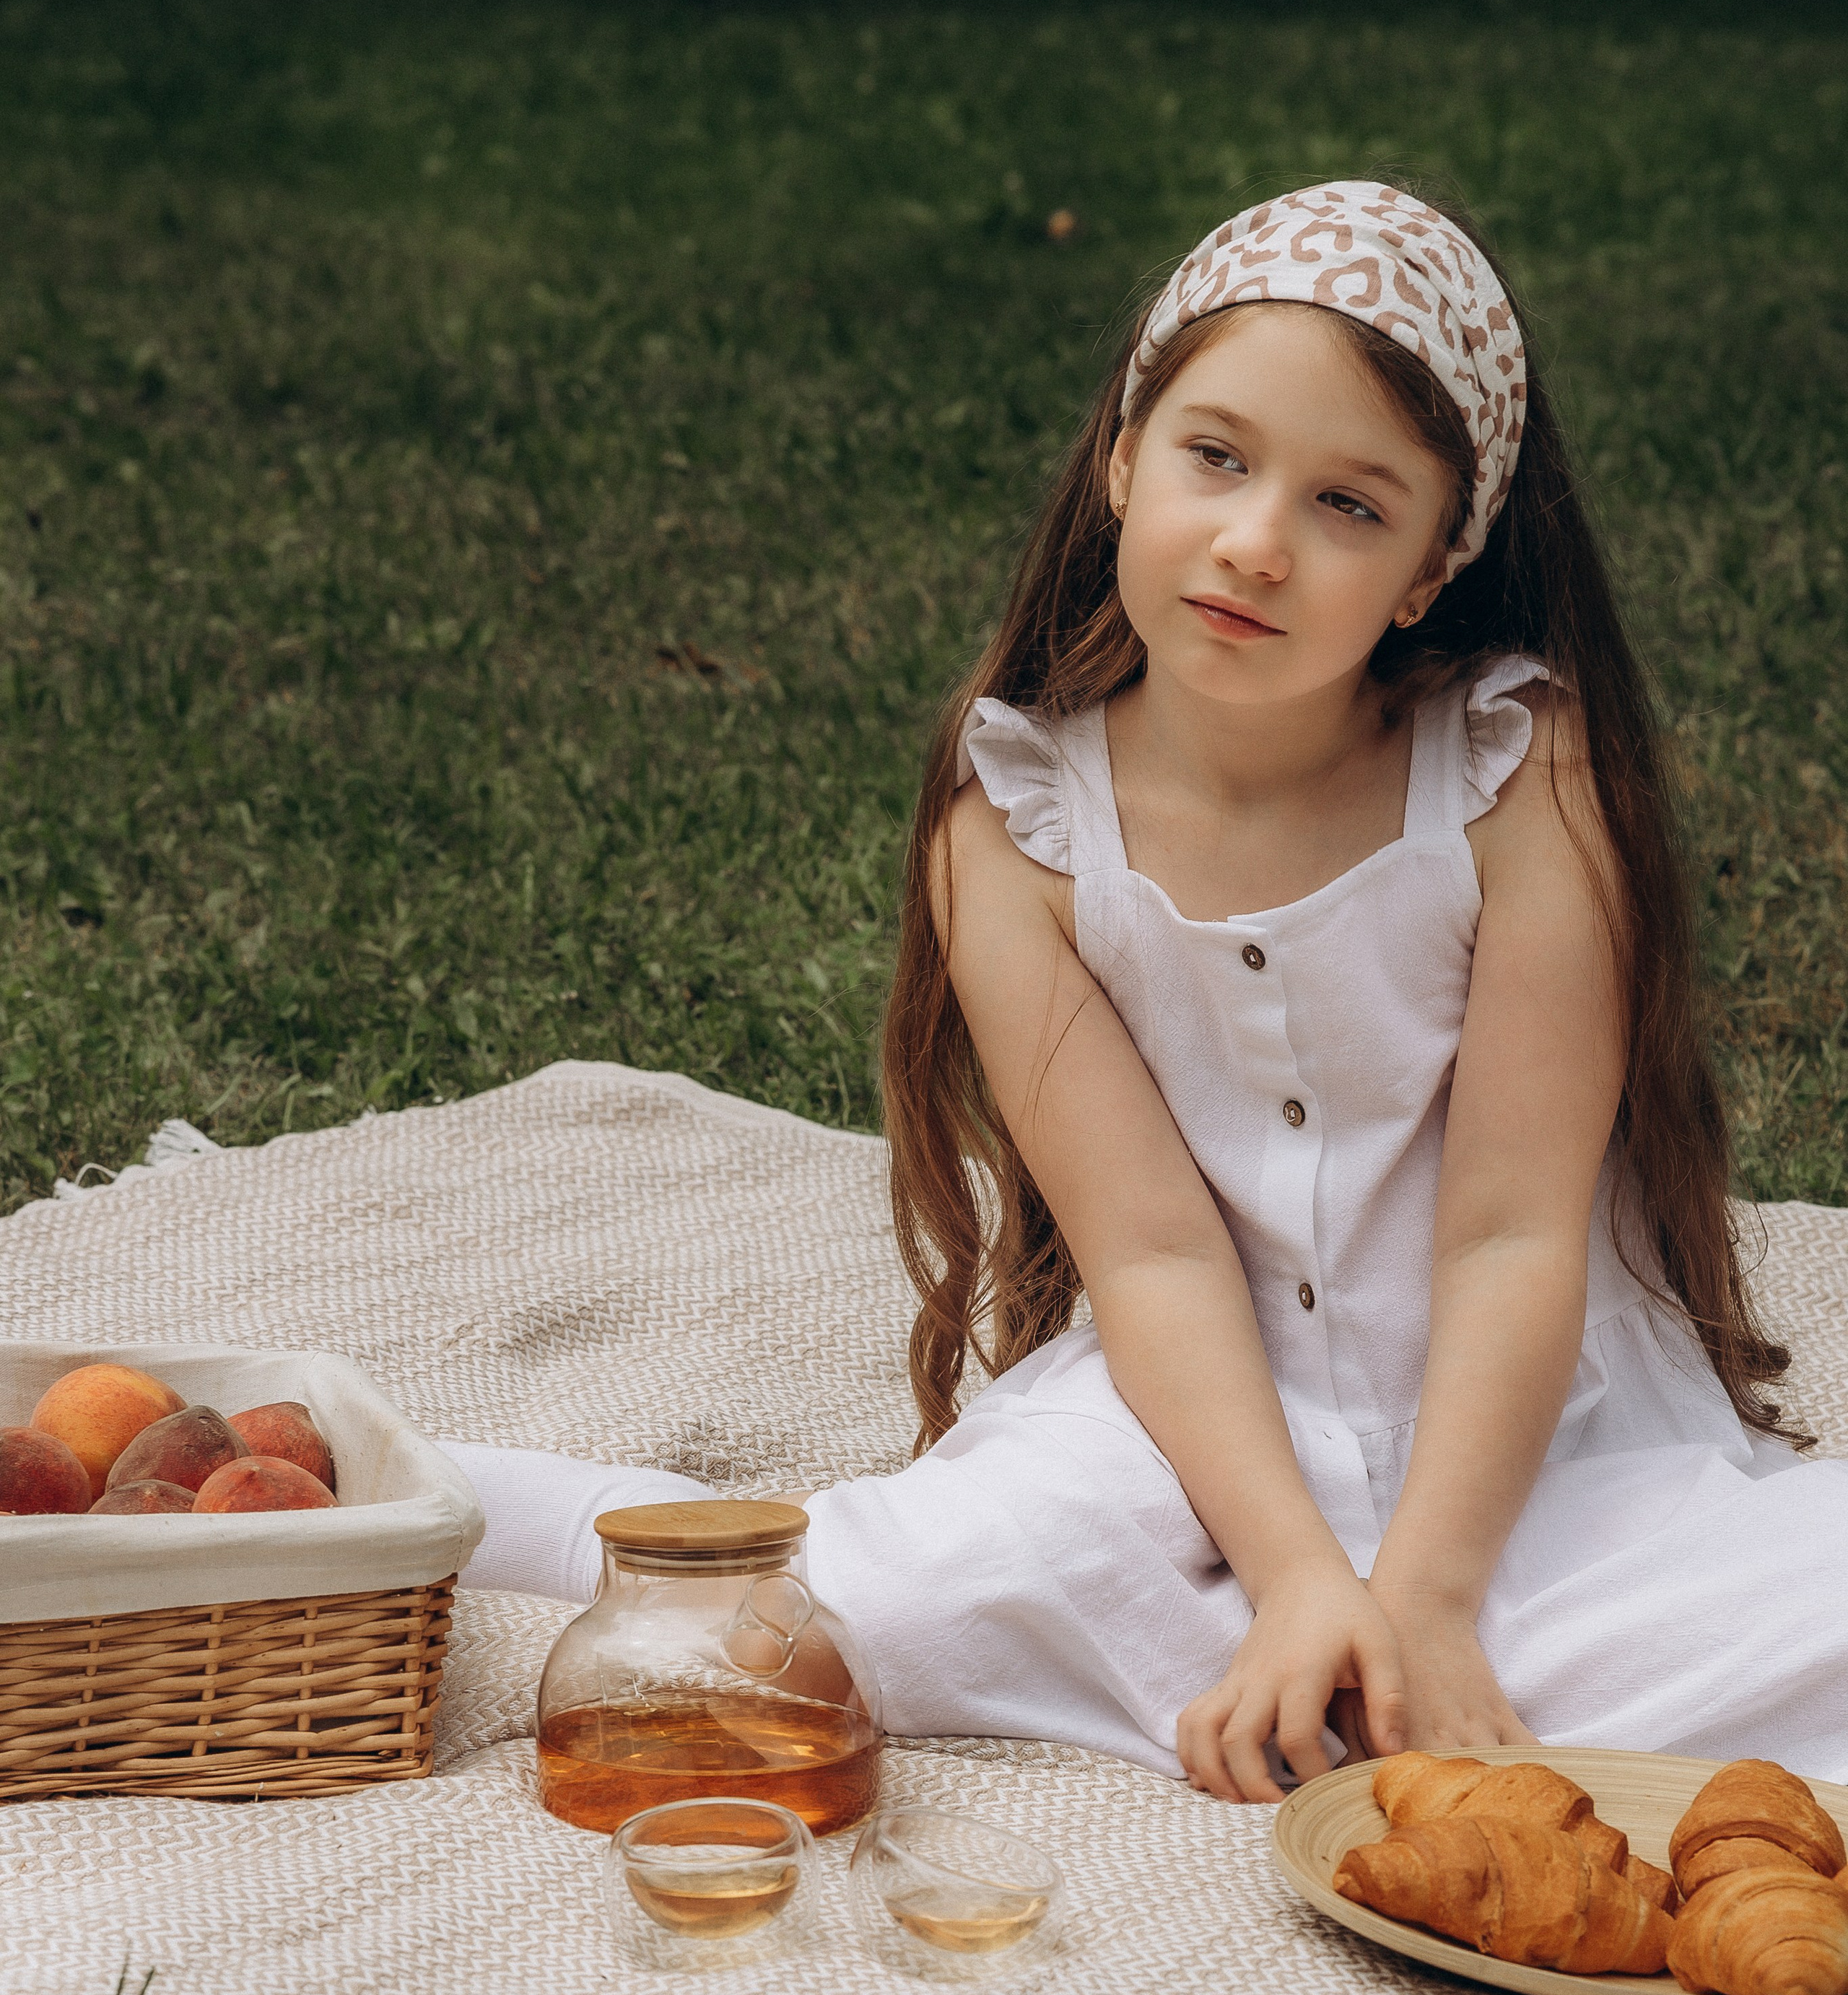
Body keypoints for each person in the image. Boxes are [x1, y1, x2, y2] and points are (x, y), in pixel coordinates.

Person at [451, 182, 1848, 1800]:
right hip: (1195, 1424)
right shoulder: (1017, 830)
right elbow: (1161, 1254)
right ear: (1122, 454)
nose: (1255, 541)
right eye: (1214, 456)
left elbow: (1511, 1231)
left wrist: (1428, 1597)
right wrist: (1302, 1578)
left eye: (1349, 505)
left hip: (1521, 1433)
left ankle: (1399, 1644)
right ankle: (443, 1495)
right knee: (848, 1621)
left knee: (1730, 1641)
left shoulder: (1517, 780)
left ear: (1426, 572)